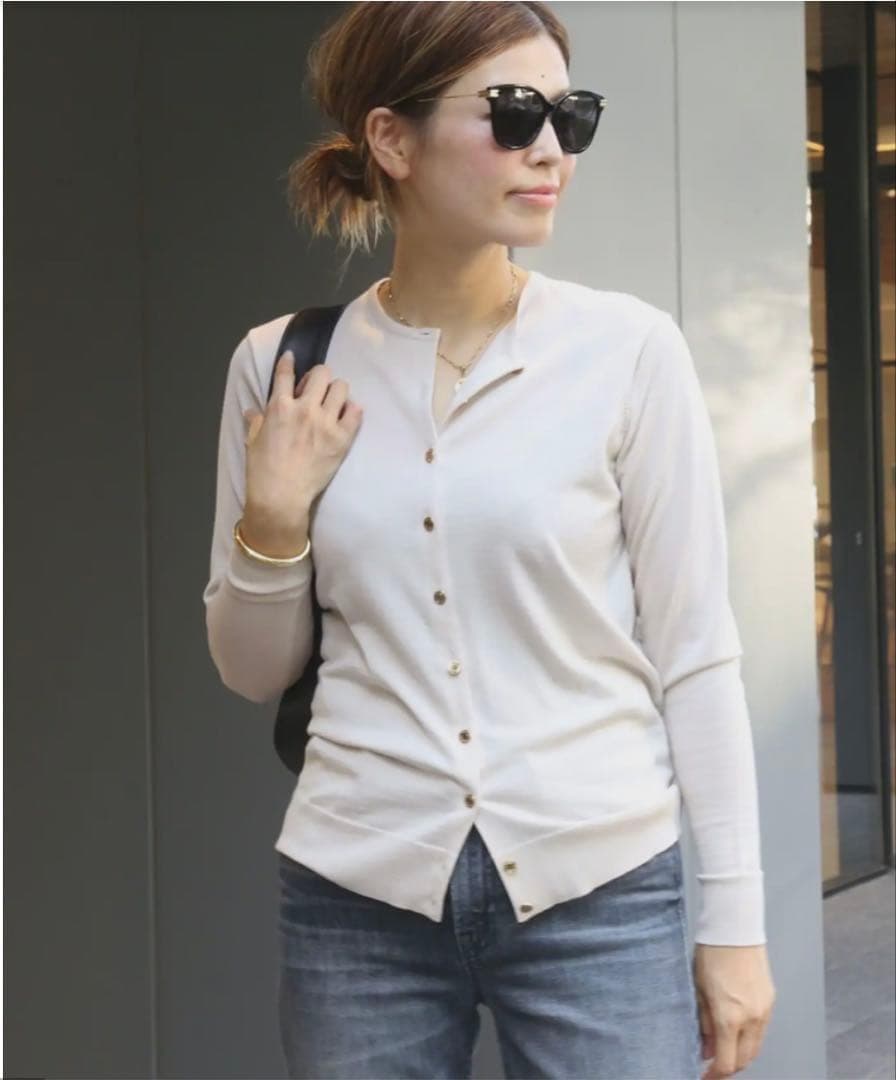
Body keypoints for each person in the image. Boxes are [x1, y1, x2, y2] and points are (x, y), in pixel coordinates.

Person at [202, 3, 777, 1078]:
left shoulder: (627, 352)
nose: (550, 148)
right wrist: (272, 519)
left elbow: (695, 651)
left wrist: (734, 923)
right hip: (355, 896)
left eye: (570, 116)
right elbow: (251, 670)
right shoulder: (282, 366)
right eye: (513, 114)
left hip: (599, 888)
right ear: (391, 138)